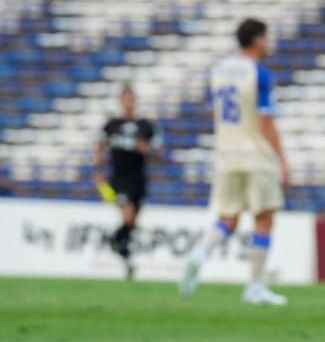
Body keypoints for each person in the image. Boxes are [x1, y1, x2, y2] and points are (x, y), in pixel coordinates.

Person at [180, 19, 289, 305]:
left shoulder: (219, 70)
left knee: (227, 218)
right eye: (266, 38)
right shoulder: (259, 73)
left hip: (226, 154)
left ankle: (198, 254)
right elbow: (266, 120)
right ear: (256, 40)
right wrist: (282, 159)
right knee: (264, 218)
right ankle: (254, 287)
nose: (269, 43)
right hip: (255, 155)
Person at [94, 84, 162, 280]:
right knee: (127, 215)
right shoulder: (112, 124)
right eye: (125, 98)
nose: (129, 102)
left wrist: (146, 149)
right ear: (120, 101)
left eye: (131, 98)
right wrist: (98, 169)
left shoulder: (146, 126)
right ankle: (115, 242)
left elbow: (159, 152)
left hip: (138, 178)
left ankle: (122, 251)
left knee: (132, 222)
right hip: (119, 178)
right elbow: (100, 146)